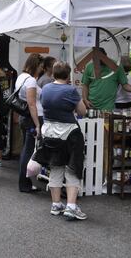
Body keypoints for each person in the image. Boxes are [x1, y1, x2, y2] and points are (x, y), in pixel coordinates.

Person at [35, 61, 87, 220]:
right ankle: (71, 206)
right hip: (69, 133)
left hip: (50, 132)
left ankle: (56, 204)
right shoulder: (70, 90)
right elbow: (82, 111)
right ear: (68, 74)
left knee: (56, 167)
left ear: (54, 73)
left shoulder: (46, 88)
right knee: (72, 168)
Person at [16, 53, 44, 192]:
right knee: (28, 151)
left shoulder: (22, 77)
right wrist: (37, 124)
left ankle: (25, 182)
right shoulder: (31, 81)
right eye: (40, 66)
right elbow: (32, 104)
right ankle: (24, 183)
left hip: (24, 117)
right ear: (36, 65)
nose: (41, 69)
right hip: (32, 118)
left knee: (26, 150)